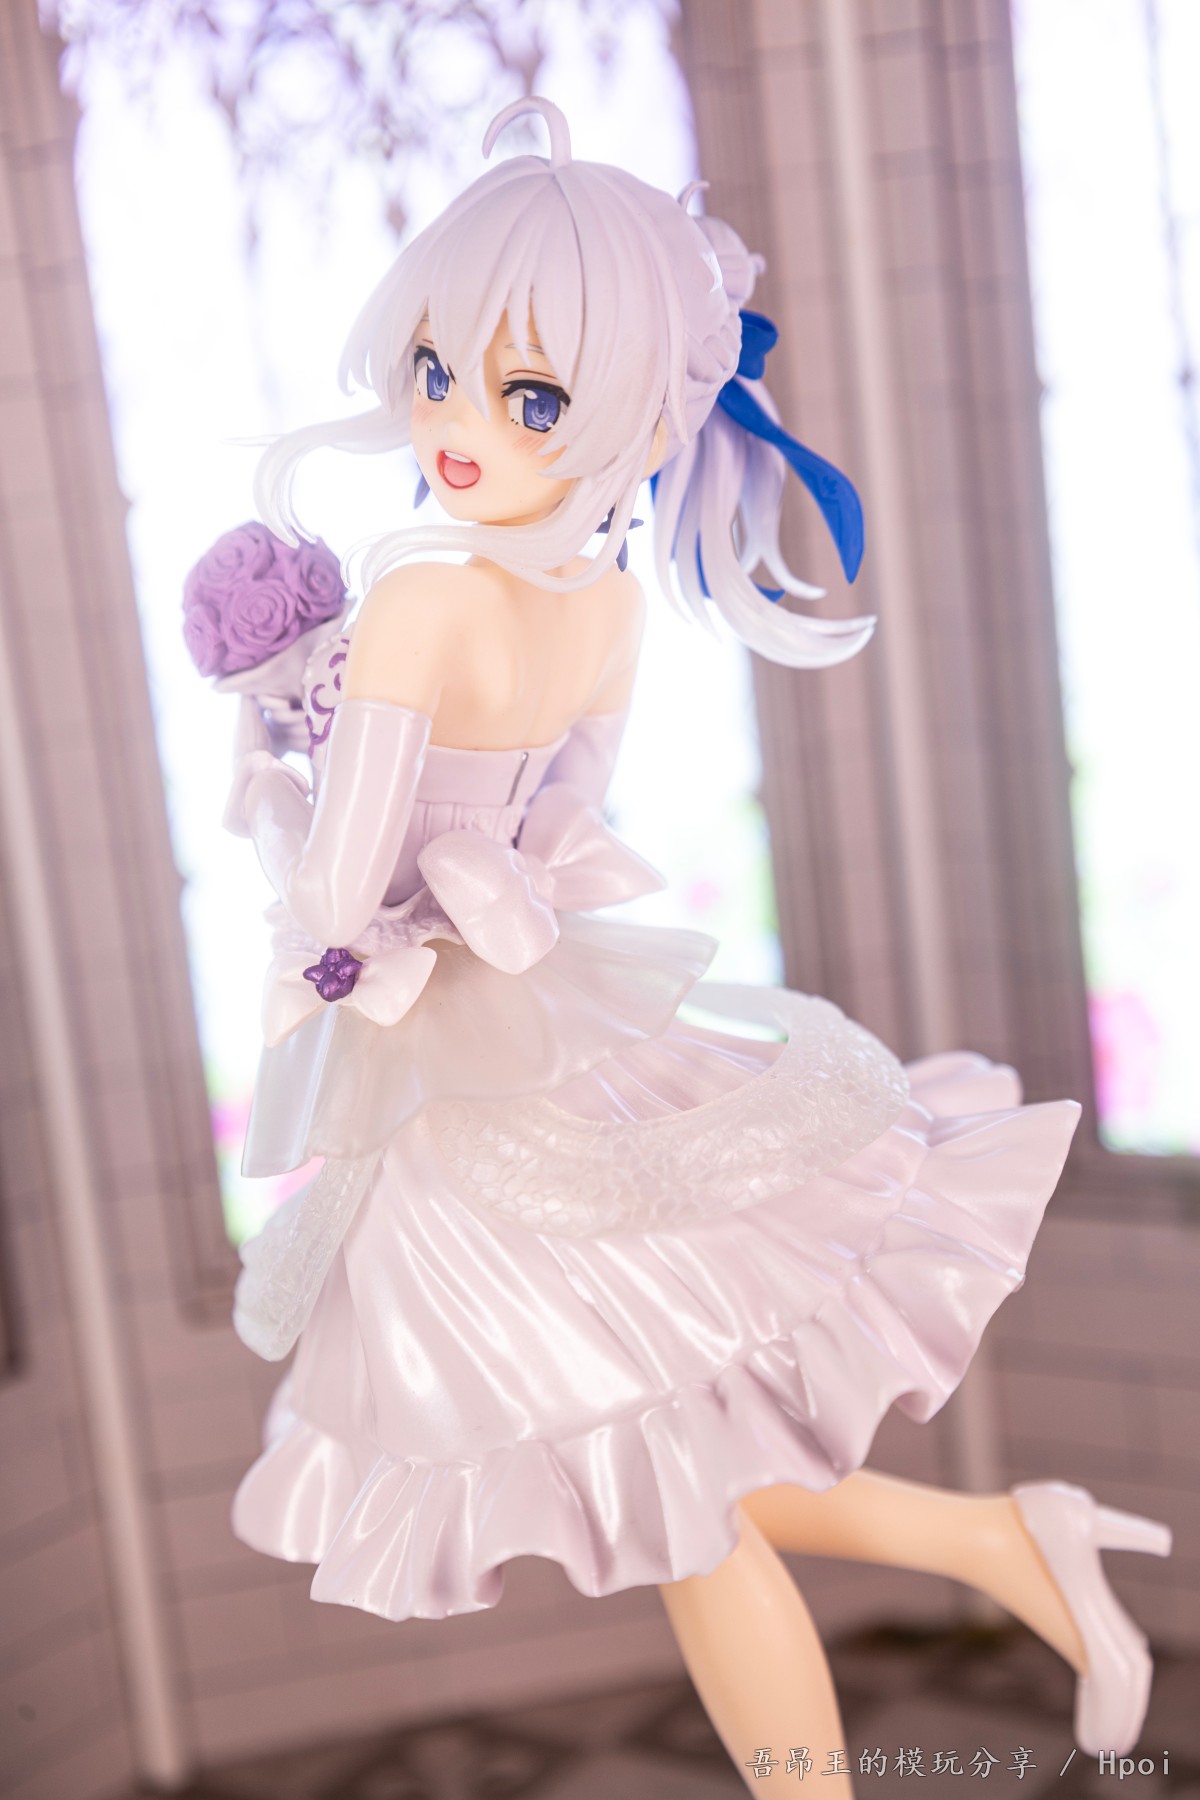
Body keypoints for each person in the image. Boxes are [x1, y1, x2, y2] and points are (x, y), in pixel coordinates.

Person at [222, 97, 1170, 1793]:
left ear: (632, 414)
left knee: (674, 1483)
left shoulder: (424, 598)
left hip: (469, 1099)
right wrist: (432, 846)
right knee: (681, 1472)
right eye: (437, 368)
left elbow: (338, 901)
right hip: (559, 1036)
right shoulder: (599, 604)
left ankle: (992, 1565)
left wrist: (272, 789)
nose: (457, 423)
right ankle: (1007, 1543)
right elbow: (560, 825)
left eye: (528, 397)